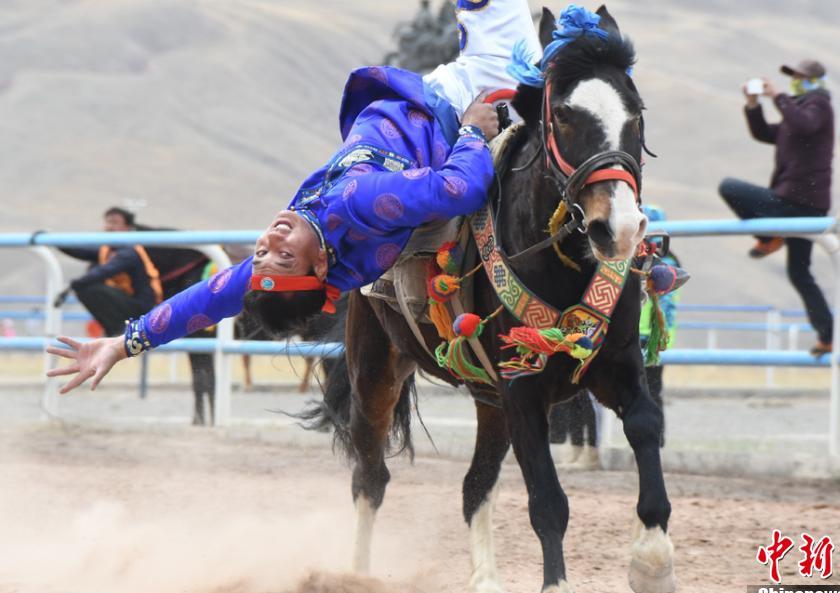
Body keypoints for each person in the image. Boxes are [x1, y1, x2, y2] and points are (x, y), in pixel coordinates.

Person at [46, 0, 541, 392]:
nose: (270, 241)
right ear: (319, 269)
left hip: (427, 101)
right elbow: (459, 188)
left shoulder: (301, 256)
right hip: (470, 93)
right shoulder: (356, 202)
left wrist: (125, 343)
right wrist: (475, 132)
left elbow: (206, 299)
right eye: (281, 256)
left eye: (261, 252)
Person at [718, 59, 835, 356]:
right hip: (800, 205)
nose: (794, 81)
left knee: (729, 187)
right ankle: (829, 335)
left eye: (799, 76)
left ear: (813, 80)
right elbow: (767, 134)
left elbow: (803, 124)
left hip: (799, 204)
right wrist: (753, 105)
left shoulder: (818, 105)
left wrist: (777, 97)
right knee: (799, 274)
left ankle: (770, 236)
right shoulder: (799, 109)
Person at [56, 206, 163, 336]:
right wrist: (56, 241)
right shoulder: (108, 249)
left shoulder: (130, 251)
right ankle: (113, 330)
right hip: (124, 302)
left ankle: (118, 330)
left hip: (142, 308)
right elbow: (80, 251)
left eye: (115, 223)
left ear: (127, 228)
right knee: (85, 285)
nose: (109, 227)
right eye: (107, 222)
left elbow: (105, 271)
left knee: (89, 285)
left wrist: (71, 285)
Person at [638, 205, 681, 414]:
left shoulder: (664, 266)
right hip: (647, 335)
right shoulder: (670, 263)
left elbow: (665, 307)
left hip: (649, 337)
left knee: (650, 392)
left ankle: (656, 438)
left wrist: (656, 337)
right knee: (649, 391)